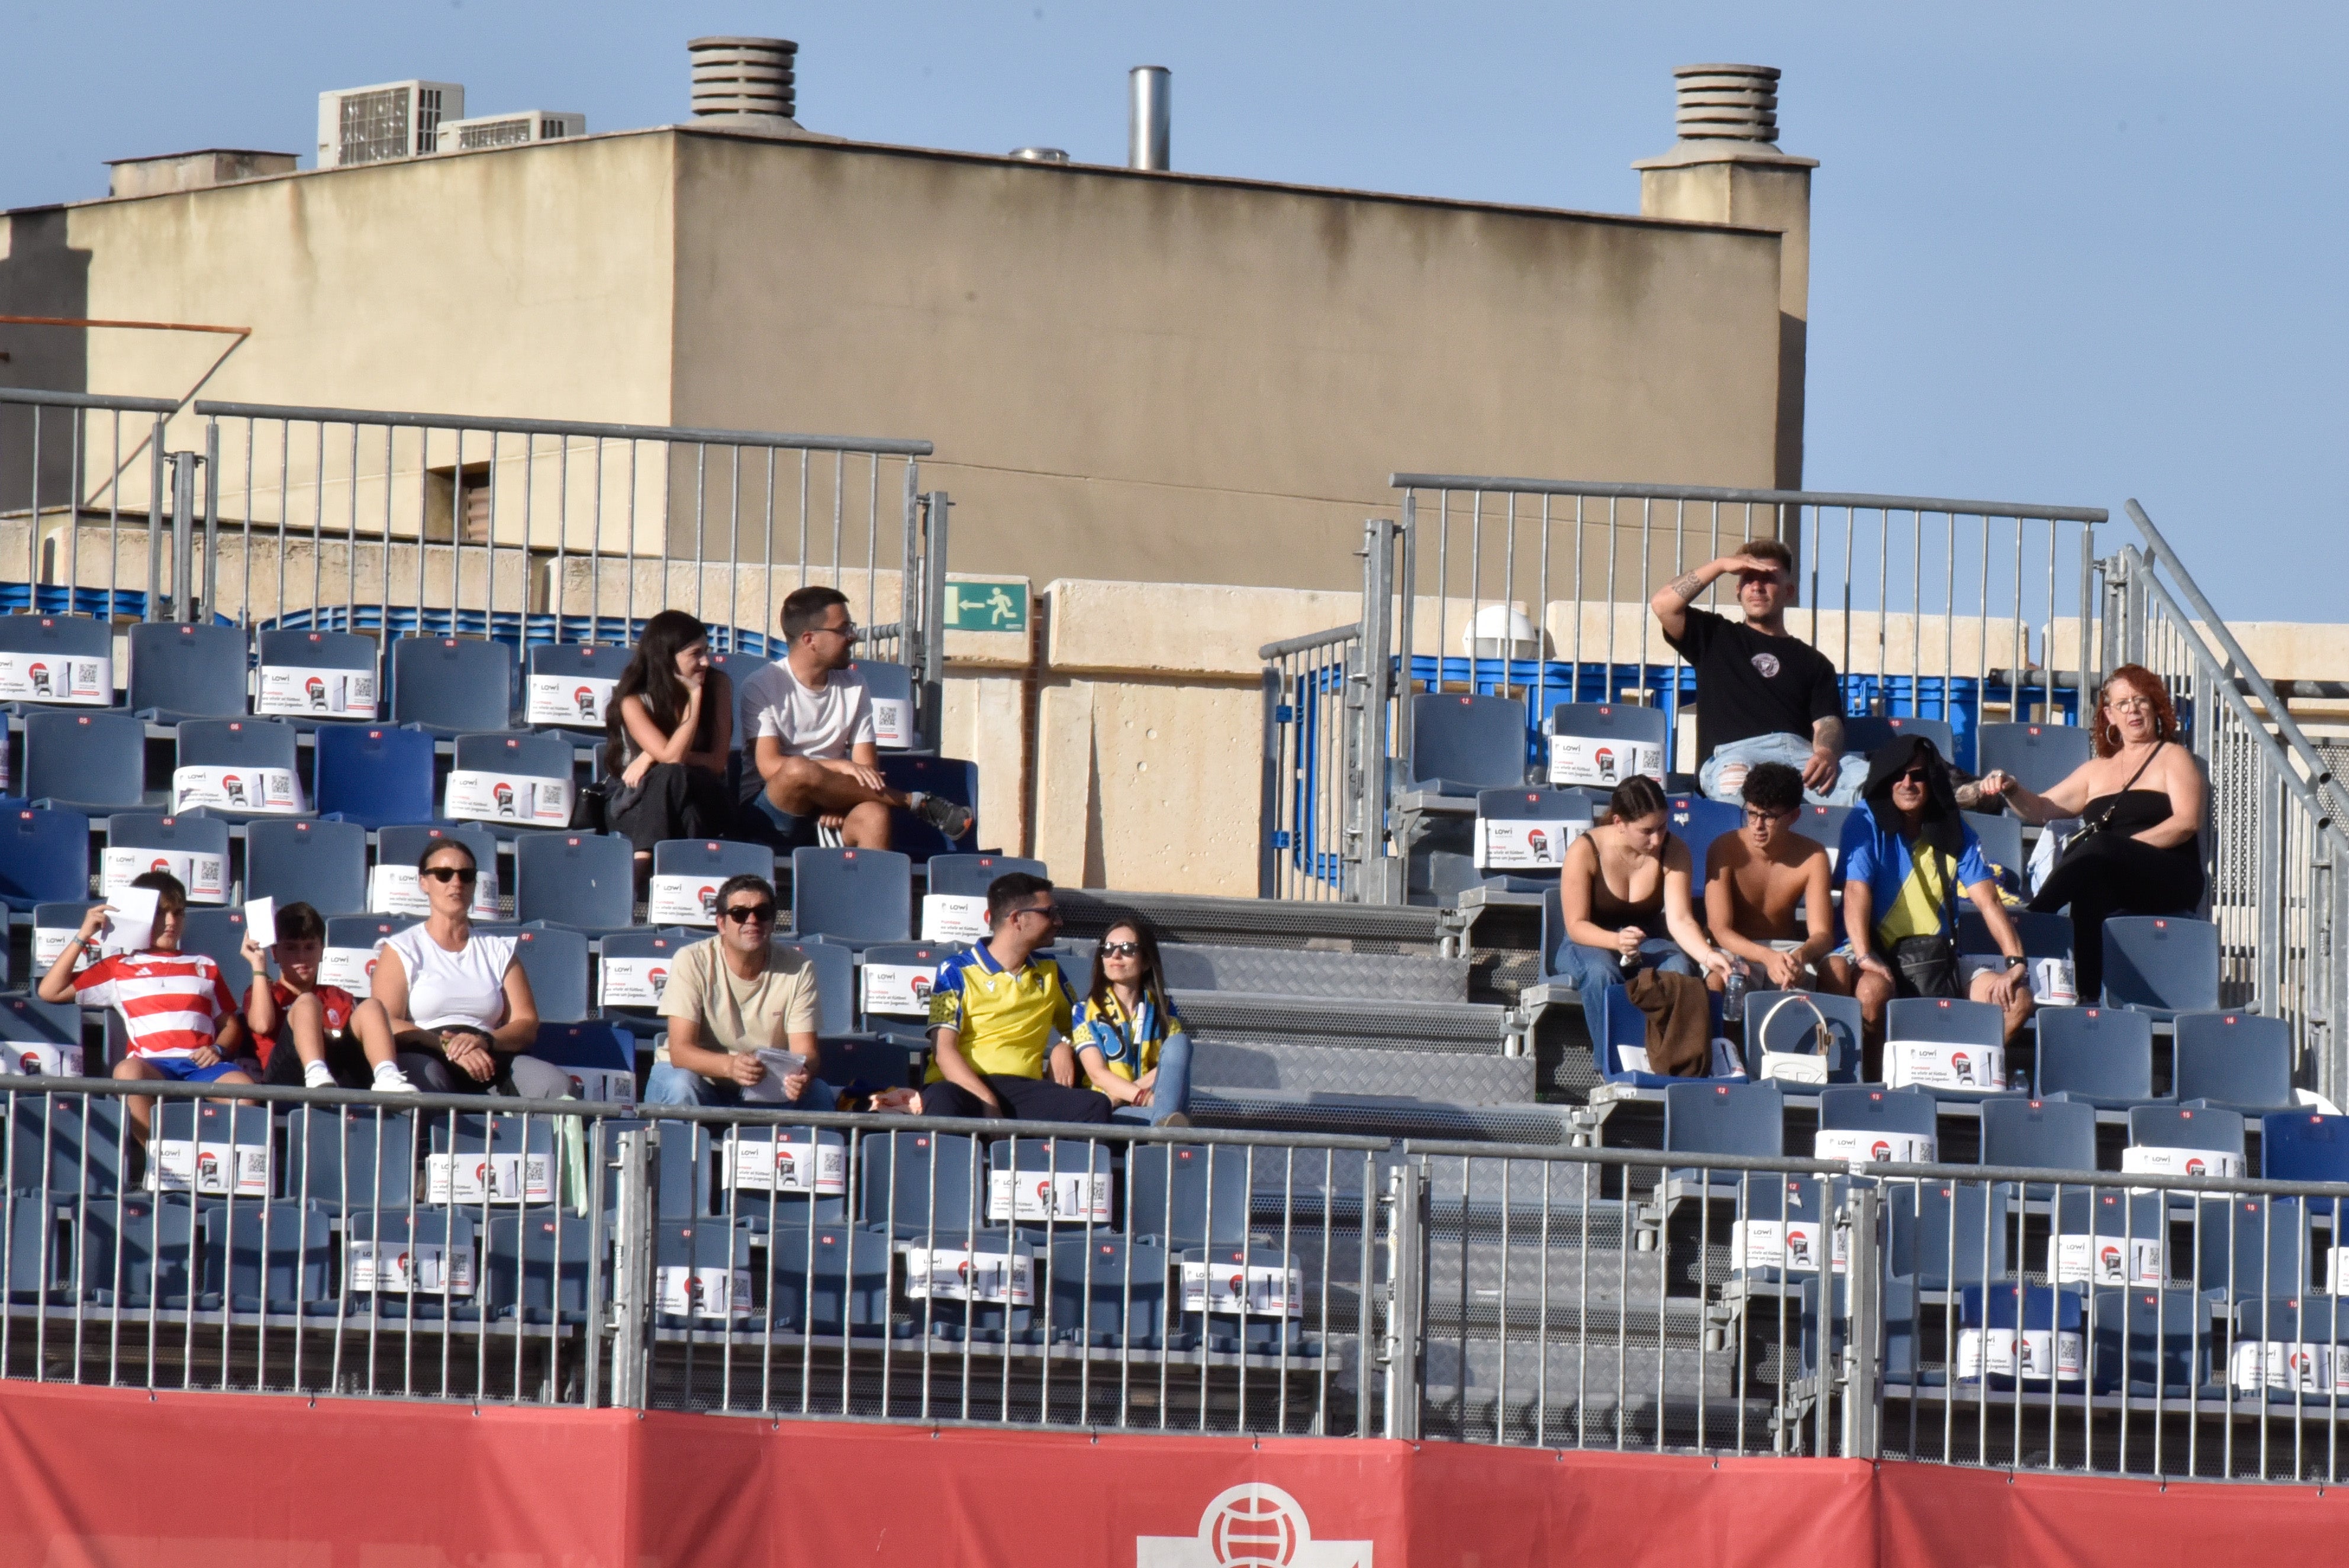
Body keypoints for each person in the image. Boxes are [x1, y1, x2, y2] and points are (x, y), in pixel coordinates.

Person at [1979, 664, 2205, 1004]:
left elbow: (2187, 823)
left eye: (2141, 700)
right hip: (2110, 874)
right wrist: (2011, 789)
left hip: (2168, 872)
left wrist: (2117, 849)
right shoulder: (2096, 770)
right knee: (2090, 887)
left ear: (2156, 707)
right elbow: (2040, 810)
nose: (2133, 709)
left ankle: (2032, 919)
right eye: (2123, 703)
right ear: (2110, 715)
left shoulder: (2174, 757)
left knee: (2096, 849)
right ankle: (2087, 998)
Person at [1832, 736, 2035, 1056]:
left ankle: (1956, 1067)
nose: (1907, 783)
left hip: (1937, 958)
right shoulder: (1864, 820)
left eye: (1918, 775)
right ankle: (1877, 1082)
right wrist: (1864, 956)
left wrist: (2015, 962)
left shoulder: (1955, 828)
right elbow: (1856, 890)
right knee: (1870, 993)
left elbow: (1989, 900)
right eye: (1899, 775)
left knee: (2018, 1001)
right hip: (1871, 951)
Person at [739, 585, 974, 852]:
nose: (852, 637)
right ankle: (914, 802)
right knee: (797, 769)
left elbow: (867, 771)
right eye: (843, 629)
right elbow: (771, 767)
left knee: (875, 816)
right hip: (773, 813)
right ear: (809, 639)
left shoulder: (855, 684)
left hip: (833, 810)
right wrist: (842, 767)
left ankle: (875, 892)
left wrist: (839, 800)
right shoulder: (761, 686)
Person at [1648, 537, 1867, 805]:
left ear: (1789, 592)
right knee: (1734, 784)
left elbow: (1828, 722)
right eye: (1749, 578)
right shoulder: (1714, 636)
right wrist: (1720, 565)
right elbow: (1663, 605)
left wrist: (1825, 753)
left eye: (1769, 579)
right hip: (1734, 757)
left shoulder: (1815, 662)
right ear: (1738, 590)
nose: (1757, 587)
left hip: (1799, 759)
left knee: (1877, 784)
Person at [37, 870, 250, 1145]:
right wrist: (84, 934)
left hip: (200, 1066)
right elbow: (49, 991)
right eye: (161, 913)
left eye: (178, 913)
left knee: (245, 1092)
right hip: (152, 1065)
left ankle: (215, 1163)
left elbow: (230, 1025)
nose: (171, 922)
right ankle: (159, 1160)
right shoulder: (118, 967)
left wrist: (218, 1049)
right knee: (127, 1073)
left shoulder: (204, 965)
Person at [352, 838, 568, 1098]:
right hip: (427, 1049)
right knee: (424, 1081)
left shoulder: (498, 950)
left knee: (555, 1085)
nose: (456, 883)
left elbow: (526, 1023)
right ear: (424, 883)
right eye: (444, 875)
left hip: (489, 1051)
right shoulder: (402, 949)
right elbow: (386, 1023)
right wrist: (448, 1045)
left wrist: (486, 1041)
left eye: (466, 875)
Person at [920, 871, 1112, 1124]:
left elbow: (1082, 1028)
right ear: (1017, 919)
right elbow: (944, 1053)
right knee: (941, 1100)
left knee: (1094, 1106)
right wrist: (989, 1102)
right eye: (1049, 912)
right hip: (966, 1087)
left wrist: (1064, 1046)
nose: (1059, 922)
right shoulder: (955, 971)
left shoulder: (1050, 971)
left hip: (1025, 1090)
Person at [1553, 775, 1729, 1047]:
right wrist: (1616, 941)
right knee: (1601, 972)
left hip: (1646, 939)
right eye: (1647, 831)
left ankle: (1667, 1057)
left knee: (1679, 968)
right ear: (1619, 824)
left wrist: (1708, 956)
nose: (1658, 839)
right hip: (1588, 940)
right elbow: (1576, 925)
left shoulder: (1674, 849)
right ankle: (1611, 1062)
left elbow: (1680, 920)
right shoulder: (1585, 850)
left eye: (1663, 826)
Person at [643, 873, 836, 1108]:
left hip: (763, 1085)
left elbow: (806, 1053)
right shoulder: (692, 960)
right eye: (740, 914)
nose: (752, 920)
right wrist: (730, 1066)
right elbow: (680, 1051)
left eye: (762, 913)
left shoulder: (799, 968)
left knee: (817, 1092)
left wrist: (802, 1075)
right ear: (721, 923)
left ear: (773, 923)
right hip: (697, 1078)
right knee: (680, 1085)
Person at [604, 609, 734, 876]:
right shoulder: (633, 701)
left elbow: (717, 763)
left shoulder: (718, 686)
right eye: (695, 654)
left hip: (704, 789)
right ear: (667, 658)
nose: (706, 662)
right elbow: (672, 758)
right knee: (688, 813)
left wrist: (652, 755)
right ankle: (684, 894)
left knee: (671, 771)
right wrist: (664, 754)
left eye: (706, 651)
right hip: (637, 800)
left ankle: (642, 862)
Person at [240, 901, 415, 1092]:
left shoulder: (337, 995)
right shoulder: (263, 991)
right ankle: (315, 1071)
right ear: (275, 952)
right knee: (307, 1001)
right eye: (291, 948)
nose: (301, 957)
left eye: (309, 947)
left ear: (321, 950)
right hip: (284, 1082)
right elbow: (262, 1025)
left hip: (337, 1074)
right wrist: (258, 966)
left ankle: (387, 1076)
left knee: (371, 1006)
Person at [1702, 762, 1845, 996]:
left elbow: (1822, 935)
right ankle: (1723, 1035)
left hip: (1788, 951)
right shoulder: (1724, 849)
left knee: (1838, 968)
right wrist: (1767, 957)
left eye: (1769, 817)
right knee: (1719, 979)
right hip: (1736, 949)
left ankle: (1830, 1033)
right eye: (1752, 814)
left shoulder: (1814, 856)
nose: (1758, 826)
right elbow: (1720, 929)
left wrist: (1800, 957)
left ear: (1794, 816)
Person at [1071, 914, 1193, 1126]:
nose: (1116, 955)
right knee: (1173, 1124)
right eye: (1108, 949)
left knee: (1179, 1043)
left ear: (1145, 961)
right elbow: (1097, 1074)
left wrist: (1135, 1095)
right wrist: (1141, 1096)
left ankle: (1165, 1124)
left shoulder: (1164, 1009)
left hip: (1154, 1105)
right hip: (1110, 1110)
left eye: (1127, 949)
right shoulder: (1083, 1011)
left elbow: (1171, 1069)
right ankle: (1167, 1127)